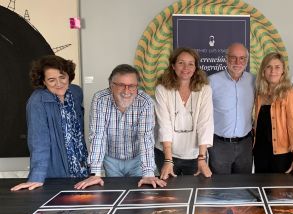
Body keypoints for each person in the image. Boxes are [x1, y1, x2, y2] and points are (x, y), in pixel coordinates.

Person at [74, 64, 166, 189]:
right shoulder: (100, 99)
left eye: (132, 86)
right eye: (121, 85)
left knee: (139, 196)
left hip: (137, 160)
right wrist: (95, 173)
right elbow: (98, 136)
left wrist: (148, 173)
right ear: (111, 85)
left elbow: (146, 137)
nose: (127, 91)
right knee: (115, 193)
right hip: (111, 160)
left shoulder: (145, 102)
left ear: (137, 86)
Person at [11, 55, 89, 191]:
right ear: (43, 81)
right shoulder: (37, 101)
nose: (59, 84)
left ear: (69, 76)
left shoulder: (76, 92)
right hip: (56, 170)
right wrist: (37, 176)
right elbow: (38, 141)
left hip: (81, 167)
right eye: (51, 80)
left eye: (62, 77)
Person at [154, 47, 213, 179]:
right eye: (181, 63)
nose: (186, 67)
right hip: (166, 154)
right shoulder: (162, 89)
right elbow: (164, 125)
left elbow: (205, 124)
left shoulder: (205, 90)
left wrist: (202, 158)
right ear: (173, 66)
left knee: (194, 193)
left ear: (196, 68)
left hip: (195, 156)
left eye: (191, 64)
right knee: (168, 196)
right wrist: (168, 160)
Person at [253, 52, 293, 178]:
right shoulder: (259, 94)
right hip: (260, 154)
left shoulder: (289, 93)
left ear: (283, 71)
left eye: (277, 67)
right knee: (261, 193)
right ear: (263, 71)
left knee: (279, 194)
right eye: (269, 67)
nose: (273, 71)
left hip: (281, 155)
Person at [208, 43, 255, 174]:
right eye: (233, 57)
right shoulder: (211, 82)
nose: (237, 62)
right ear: (226, 58)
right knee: (219, 188)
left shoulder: (253, 81)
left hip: (245, 144)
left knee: (244, 187)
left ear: (247, 60)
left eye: (242, 58)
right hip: (219, 145)